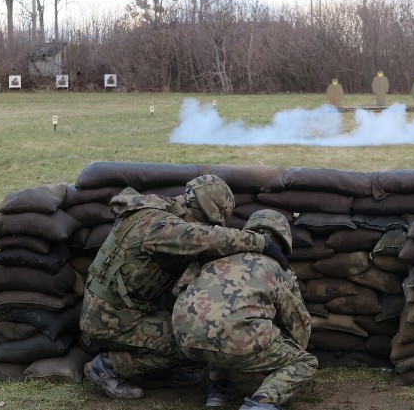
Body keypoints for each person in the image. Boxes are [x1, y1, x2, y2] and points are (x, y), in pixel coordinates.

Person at [80, 175, 289, 400]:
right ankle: (108, 366)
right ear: (204, 210)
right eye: (210, 223)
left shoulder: (158, 212)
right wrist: (260, 242)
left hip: (119, 310)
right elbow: (207, 239)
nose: (209, 227)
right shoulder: (162, 226)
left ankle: (155, 372)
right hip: (111, 319)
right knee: (193, 340)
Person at [171, 209, 316, 410]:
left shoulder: (214, 253)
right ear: (283, 240)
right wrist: (288, 351)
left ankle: (219, 389)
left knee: (217, 318)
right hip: (236, 340)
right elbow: (298, 323)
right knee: (305, 361)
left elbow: (179, 290)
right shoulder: (279, 267)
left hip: (185, 338)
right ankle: (261, 403)